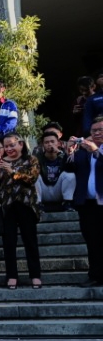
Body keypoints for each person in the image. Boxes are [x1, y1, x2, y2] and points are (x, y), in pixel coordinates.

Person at [0, 133, 42, 289]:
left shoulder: (31, 160)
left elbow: (31, 179)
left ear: (21, 144)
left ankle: (35, 275)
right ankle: (11, 276)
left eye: (12, 145)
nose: (9, 148)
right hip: (7, 206)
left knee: (30, 241)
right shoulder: (1, 161)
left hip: (26, 205)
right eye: (6, 146)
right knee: (9, 243)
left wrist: (12, 171)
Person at [65, 117, 103, 286]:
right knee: (92, 240)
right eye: (93, 130)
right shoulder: (83, 152)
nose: (96, 133)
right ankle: (95, 274)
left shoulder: (95, 150)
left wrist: (98, 152)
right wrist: (70, 153)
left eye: (100, 130)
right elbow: (68, 169)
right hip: (87, 203)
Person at [35, 131, 76, 212]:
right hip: (44, 190)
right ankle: (38, 205)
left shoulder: (63, 156)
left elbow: (71, 168)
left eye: (52, 141)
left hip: (59, 190)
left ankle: (68, 203)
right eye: (46, 142)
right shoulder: (37, 158)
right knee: (35, 176)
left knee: (69, 175)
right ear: (42, 145)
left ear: (58, 143)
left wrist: (59, 153)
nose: (50, 144)